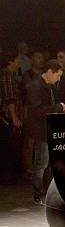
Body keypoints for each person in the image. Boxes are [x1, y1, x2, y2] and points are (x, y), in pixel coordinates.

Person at [25, 60, 65, 204]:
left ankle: (46, 192)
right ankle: (37, 193)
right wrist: (58, 107)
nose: (58, 79)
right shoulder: (34, 86)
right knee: (41, 163)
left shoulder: (48, 86)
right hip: (41, 130)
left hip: (50, 128)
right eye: (57, 76)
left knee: (49, 164)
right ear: (50, 71)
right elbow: (37, 110)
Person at [0, 54, 23, 182]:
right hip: (7, 116)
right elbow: (9, 97)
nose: (20, 63)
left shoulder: (10, 74)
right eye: (17, 60)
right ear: (11, 61)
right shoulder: (6, 74)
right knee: (8, 146)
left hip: (10, 115)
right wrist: (14, 117)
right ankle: (7, 176)